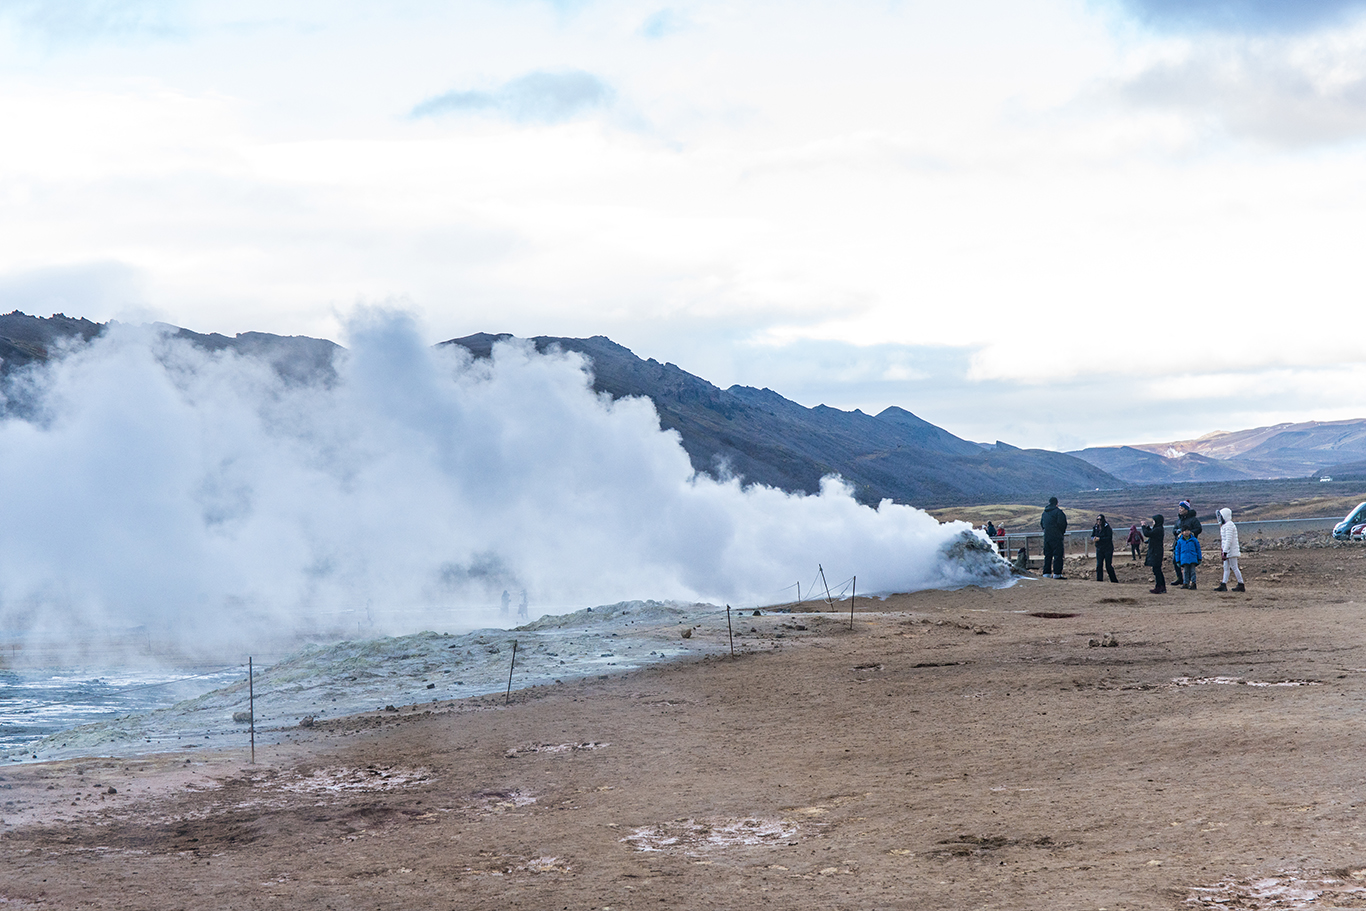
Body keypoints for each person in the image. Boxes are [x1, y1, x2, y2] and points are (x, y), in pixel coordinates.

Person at [1172, 500, 1203, 590]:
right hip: (1179, 543)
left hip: (1190, 545)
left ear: (1186, 509)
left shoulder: (1193, 519)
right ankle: (1180, 578)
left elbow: (1199, 529)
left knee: (1190, 567)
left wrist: (1191, 533)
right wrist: (1176, 532)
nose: (1180, 510)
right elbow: (1174, 530)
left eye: (1181, 508)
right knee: (1176, 561)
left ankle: (1191, 582)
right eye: (1179, 508)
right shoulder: (1179, 520)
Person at [1215, 507, 1246, 592]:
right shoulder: (1226, 525)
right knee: (1226, 567)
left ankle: (1241, 584)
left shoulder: (1229, 525)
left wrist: (1224, 551)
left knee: (1234, 567)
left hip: (1230, 551)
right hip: (1228, 550)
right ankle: (1224, 584)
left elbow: (1228, 540)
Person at [1040, 496, 1068, 578]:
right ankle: (1057, 573)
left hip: (1047, 537)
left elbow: (1042, 524)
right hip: (1056, 537)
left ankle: (1046, 573)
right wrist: (1060, 533)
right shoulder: (1058, 512)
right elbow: (1062, 524)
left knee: (1048, 555)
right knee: (1058, 555)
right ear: (1057, 503)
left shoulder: (1044, 513)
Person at [1141, 513, 1166, 593]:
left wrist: (1143, 527)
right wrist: (1147, 527)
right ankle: (1161, 586)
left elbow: (1147, 534)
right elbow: (1151, 532)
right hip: (1156, 551)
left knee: (1157, 570)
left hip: (1156, 552)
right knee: (1157, 570)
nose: (1153, 523)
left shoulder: (1158, 529)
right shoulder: (1158, 529)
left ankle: (1160, 587)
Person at [1091, 514, 1117, 582]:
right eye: (1097, 519)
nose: (1099, 521)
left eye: (1100, 520)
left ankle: (1114, 580)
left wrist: (1100, 539)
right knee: (1099, 565)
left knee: (1108, 565)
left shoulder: (1107, 527)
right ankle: (1099, 580)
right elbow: (1092, 535)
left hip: (1107, 548)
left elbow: (1109, 538)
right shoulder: (1095, 527)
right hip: (1099, 548)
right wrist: (1093, 538)